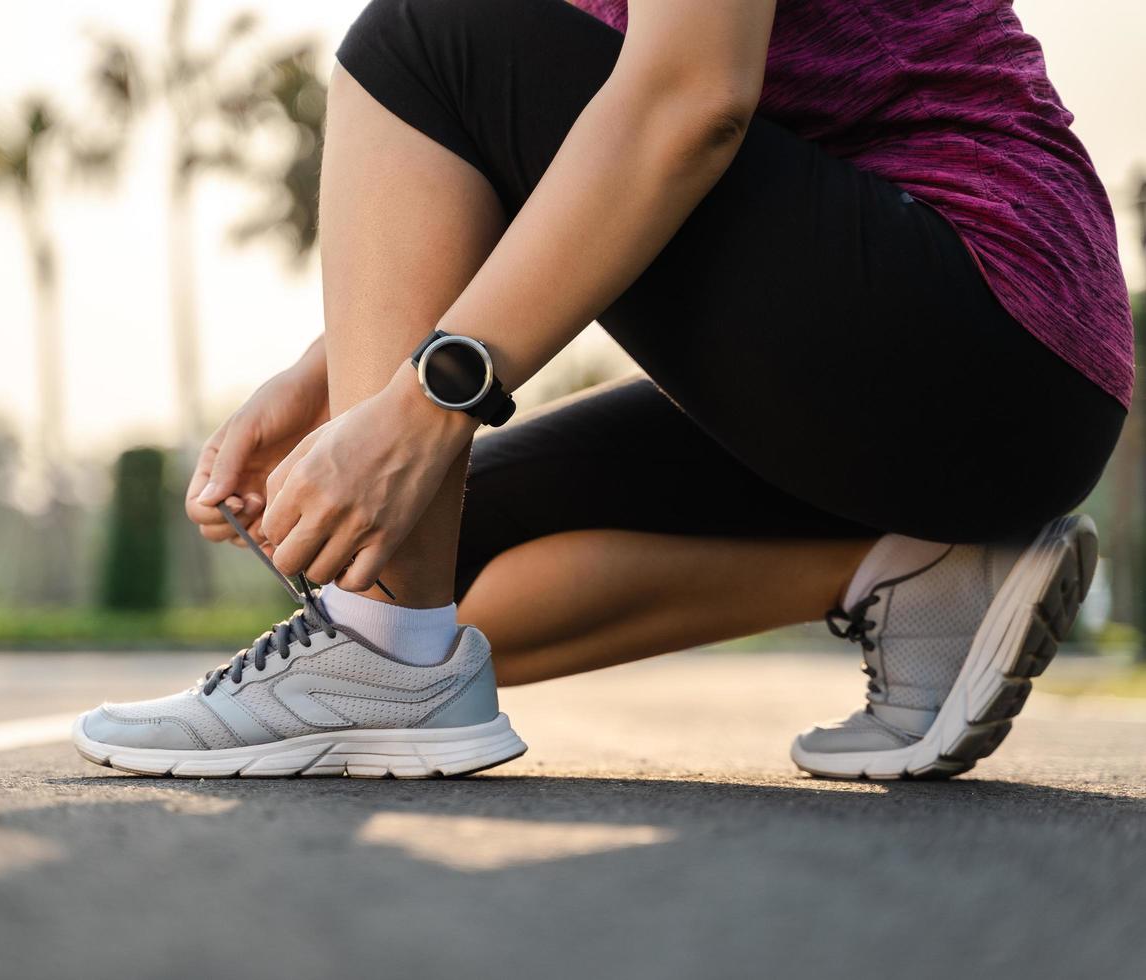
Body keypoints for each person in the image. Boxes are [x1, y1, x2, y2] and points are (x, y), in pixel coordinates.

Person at [72, 0, 1132, 780]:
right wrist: (324, 387)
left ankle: (373, 649)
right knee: (430, 564)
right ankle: (920, 571)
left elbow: (689, 98)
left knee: (423, 33)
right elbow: (539, 161)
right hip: (956, 381)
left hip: (980, 315)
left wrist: (423, 406)